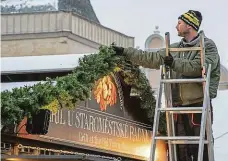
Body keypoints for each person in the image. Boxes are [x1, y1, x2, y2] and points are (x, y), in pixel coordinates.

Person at [112, 10, 220, 161]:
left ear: (189, 26)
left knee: (200, 150)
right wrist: (125, 52)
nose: (176, 26)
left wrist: (174, 63)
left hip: (197, 106)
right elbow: (151, 58)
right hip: (176, 107)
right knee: (179, 151)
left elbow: (197, 67)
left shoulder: (208, 47)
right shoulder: (174, 49)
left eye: (179, 23)